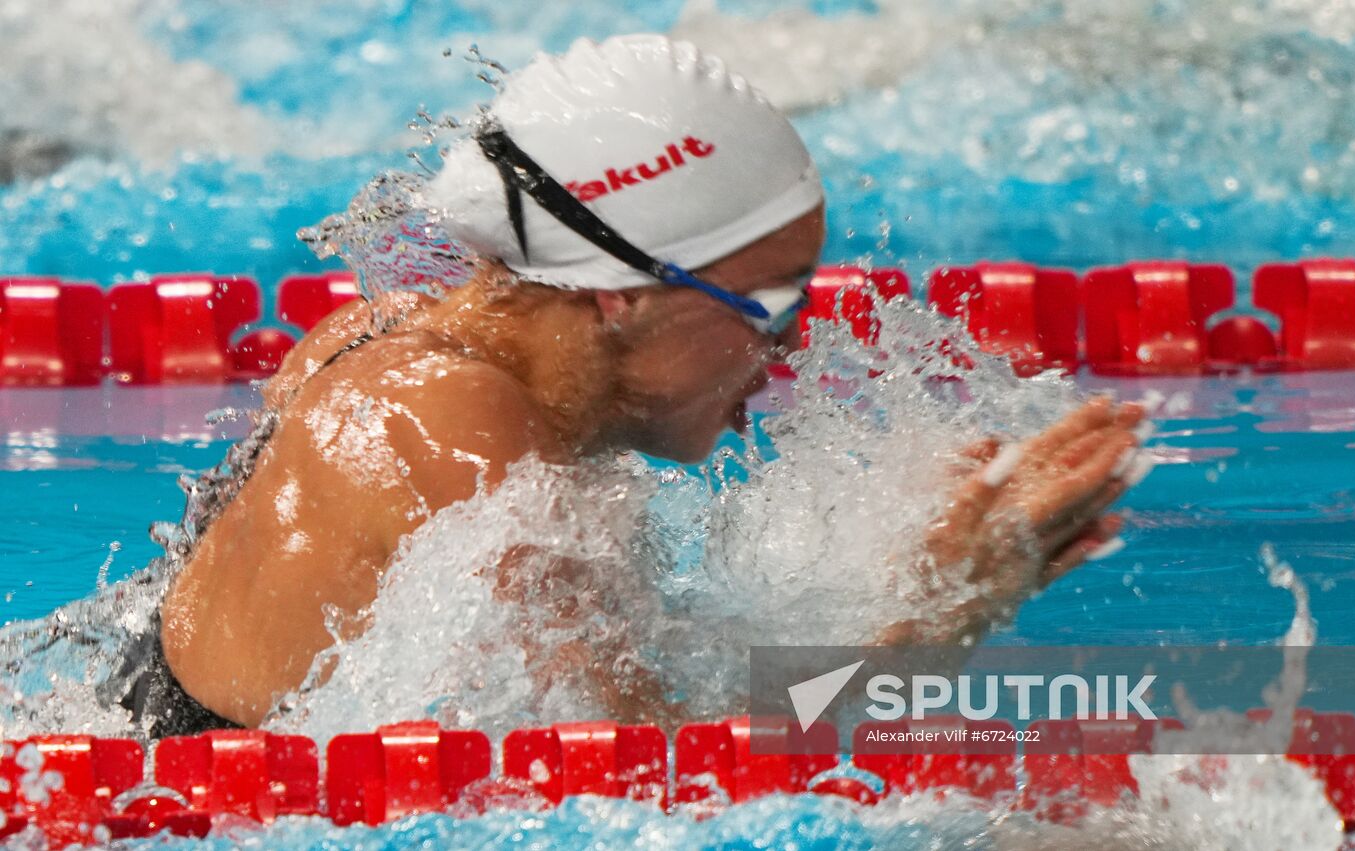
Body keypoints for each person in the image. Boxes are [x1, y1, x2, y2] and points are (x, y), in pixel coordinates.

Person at [136, 34, 1146, 736]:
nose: (788, 355)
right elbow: (673, 785)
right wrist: (935, 623)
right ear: (622, 293)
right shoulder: (455, 426)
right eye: (773, 310)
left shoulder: (384, 340)